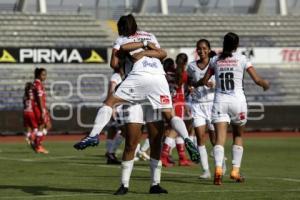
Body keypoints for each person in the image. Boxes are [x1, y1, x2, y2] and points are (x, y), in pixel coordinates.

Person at [73, 14, 200, 165]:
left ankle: (93, 135)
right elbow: (162, 54)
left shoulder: (122, 39)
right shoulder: (150, 35)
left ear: (121, 27)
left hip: (138, 77)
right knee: (169, 114)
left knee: (109, 102)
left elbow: (113, 64)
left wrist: (124, 55)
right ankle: (186, 139)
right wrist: (146, 46)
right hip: (159, 78)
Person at [195, 32, 269, 185]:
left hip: (220, 101)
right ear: (237, 45)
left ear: (224, 43)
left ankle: (218, 171)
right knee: (238, 136)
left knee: (219, 140)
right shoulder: (242, 59)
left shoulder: (215, 60)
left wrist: (197, 83)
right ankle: (235, 171)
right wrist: (265, 84)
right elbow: (257, 80)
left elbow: (204, 80)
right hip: (238, 102)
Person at [160, 55, 193, 167]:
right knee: (175, 130)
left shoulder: (168, 73)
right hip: (178, 102)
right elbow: (185, 87)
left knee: (176, 130)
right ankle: (164, 156)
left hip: (168, 101)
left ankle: (182, 158)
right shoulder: (182, 74)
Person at [32, 67, 51, 154]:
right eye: (43, 75)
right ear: (39, 75)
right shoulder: (38, 84)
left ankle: (36, 142)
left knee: (47, 125)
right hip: (39, 107)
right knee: (43, 125)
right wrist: (42, 109)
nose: (45, 76)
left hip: (38, 107)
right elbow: (39, 98)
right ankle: (37, 144)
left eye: (45, 75)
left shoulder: (36, 83)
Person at [23, 82, 38, 147]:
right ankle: (32, 138)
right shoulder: (33, 94)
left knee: (28, 127)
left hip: (25, 112)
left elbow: (24, 104)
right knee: (36, 128)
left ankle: (28, 138)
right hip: (31, 112)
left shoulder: (25, 95)